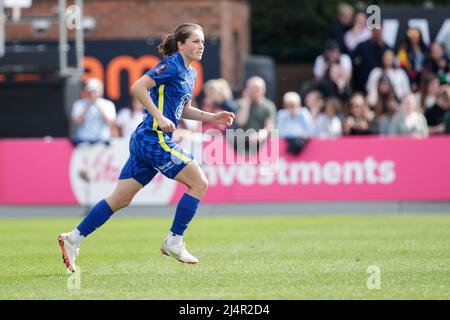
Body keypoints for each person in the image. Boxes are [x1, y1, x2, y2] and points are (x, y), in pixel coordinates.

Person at [58, 23, 235, 272]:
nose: (201, 45)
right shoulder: (171, 65)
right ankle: (174, 240)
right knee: (199, 183)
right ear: (181, 44)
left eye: (203, 41)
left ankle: (72, 239)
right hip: (154, 137)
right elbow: (138, 87)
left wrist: (213, 117)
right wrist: (159, 117)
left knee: (120, 199)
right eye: (195, 41)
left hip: (146, 139)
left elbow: (182, 109)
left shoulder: (190, 72)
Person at [234, 76, 277, 151]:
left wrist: (260, 135)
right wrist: (247, 102)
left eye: (257, 89)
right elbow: (240, 122)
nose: (254, 92)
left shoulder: (269, 106)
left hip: (261, 145)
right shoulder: (239, 104)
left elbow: (270, 126)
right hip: (240, 145)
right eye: (252, 89)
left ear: (263, 90)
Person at [71, 78, 116, 145]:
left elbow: (110, 122)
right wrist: (87, 106)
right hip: (83, 142)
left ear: (100, 91)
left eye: (94, 91)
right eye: (90, 91)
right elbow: (77, 122)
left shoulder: (108, 104)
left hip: (102, 142)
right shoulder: (79, 104)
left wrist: (97, 105)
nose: (92, 94)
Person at [351, 27, 390, 93]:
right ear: (372, 31)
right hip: (362, 82)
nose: (377, 34)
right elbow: (353, 60)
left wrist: (381, 46)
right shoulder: (362, 46)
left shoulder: (385, 47)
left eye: (379, 32)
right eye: (376, 32)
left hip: (378, 83)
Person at [397, 27, 429, 91]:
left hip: (423, 76)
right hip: (410, 75)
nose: (414, 38)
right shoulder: (403, 50)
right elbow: (402, 65)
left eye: (416, 36)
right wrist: (412, 81)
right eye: (411, 36)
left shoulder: (425, 48)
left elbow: (428, 62)